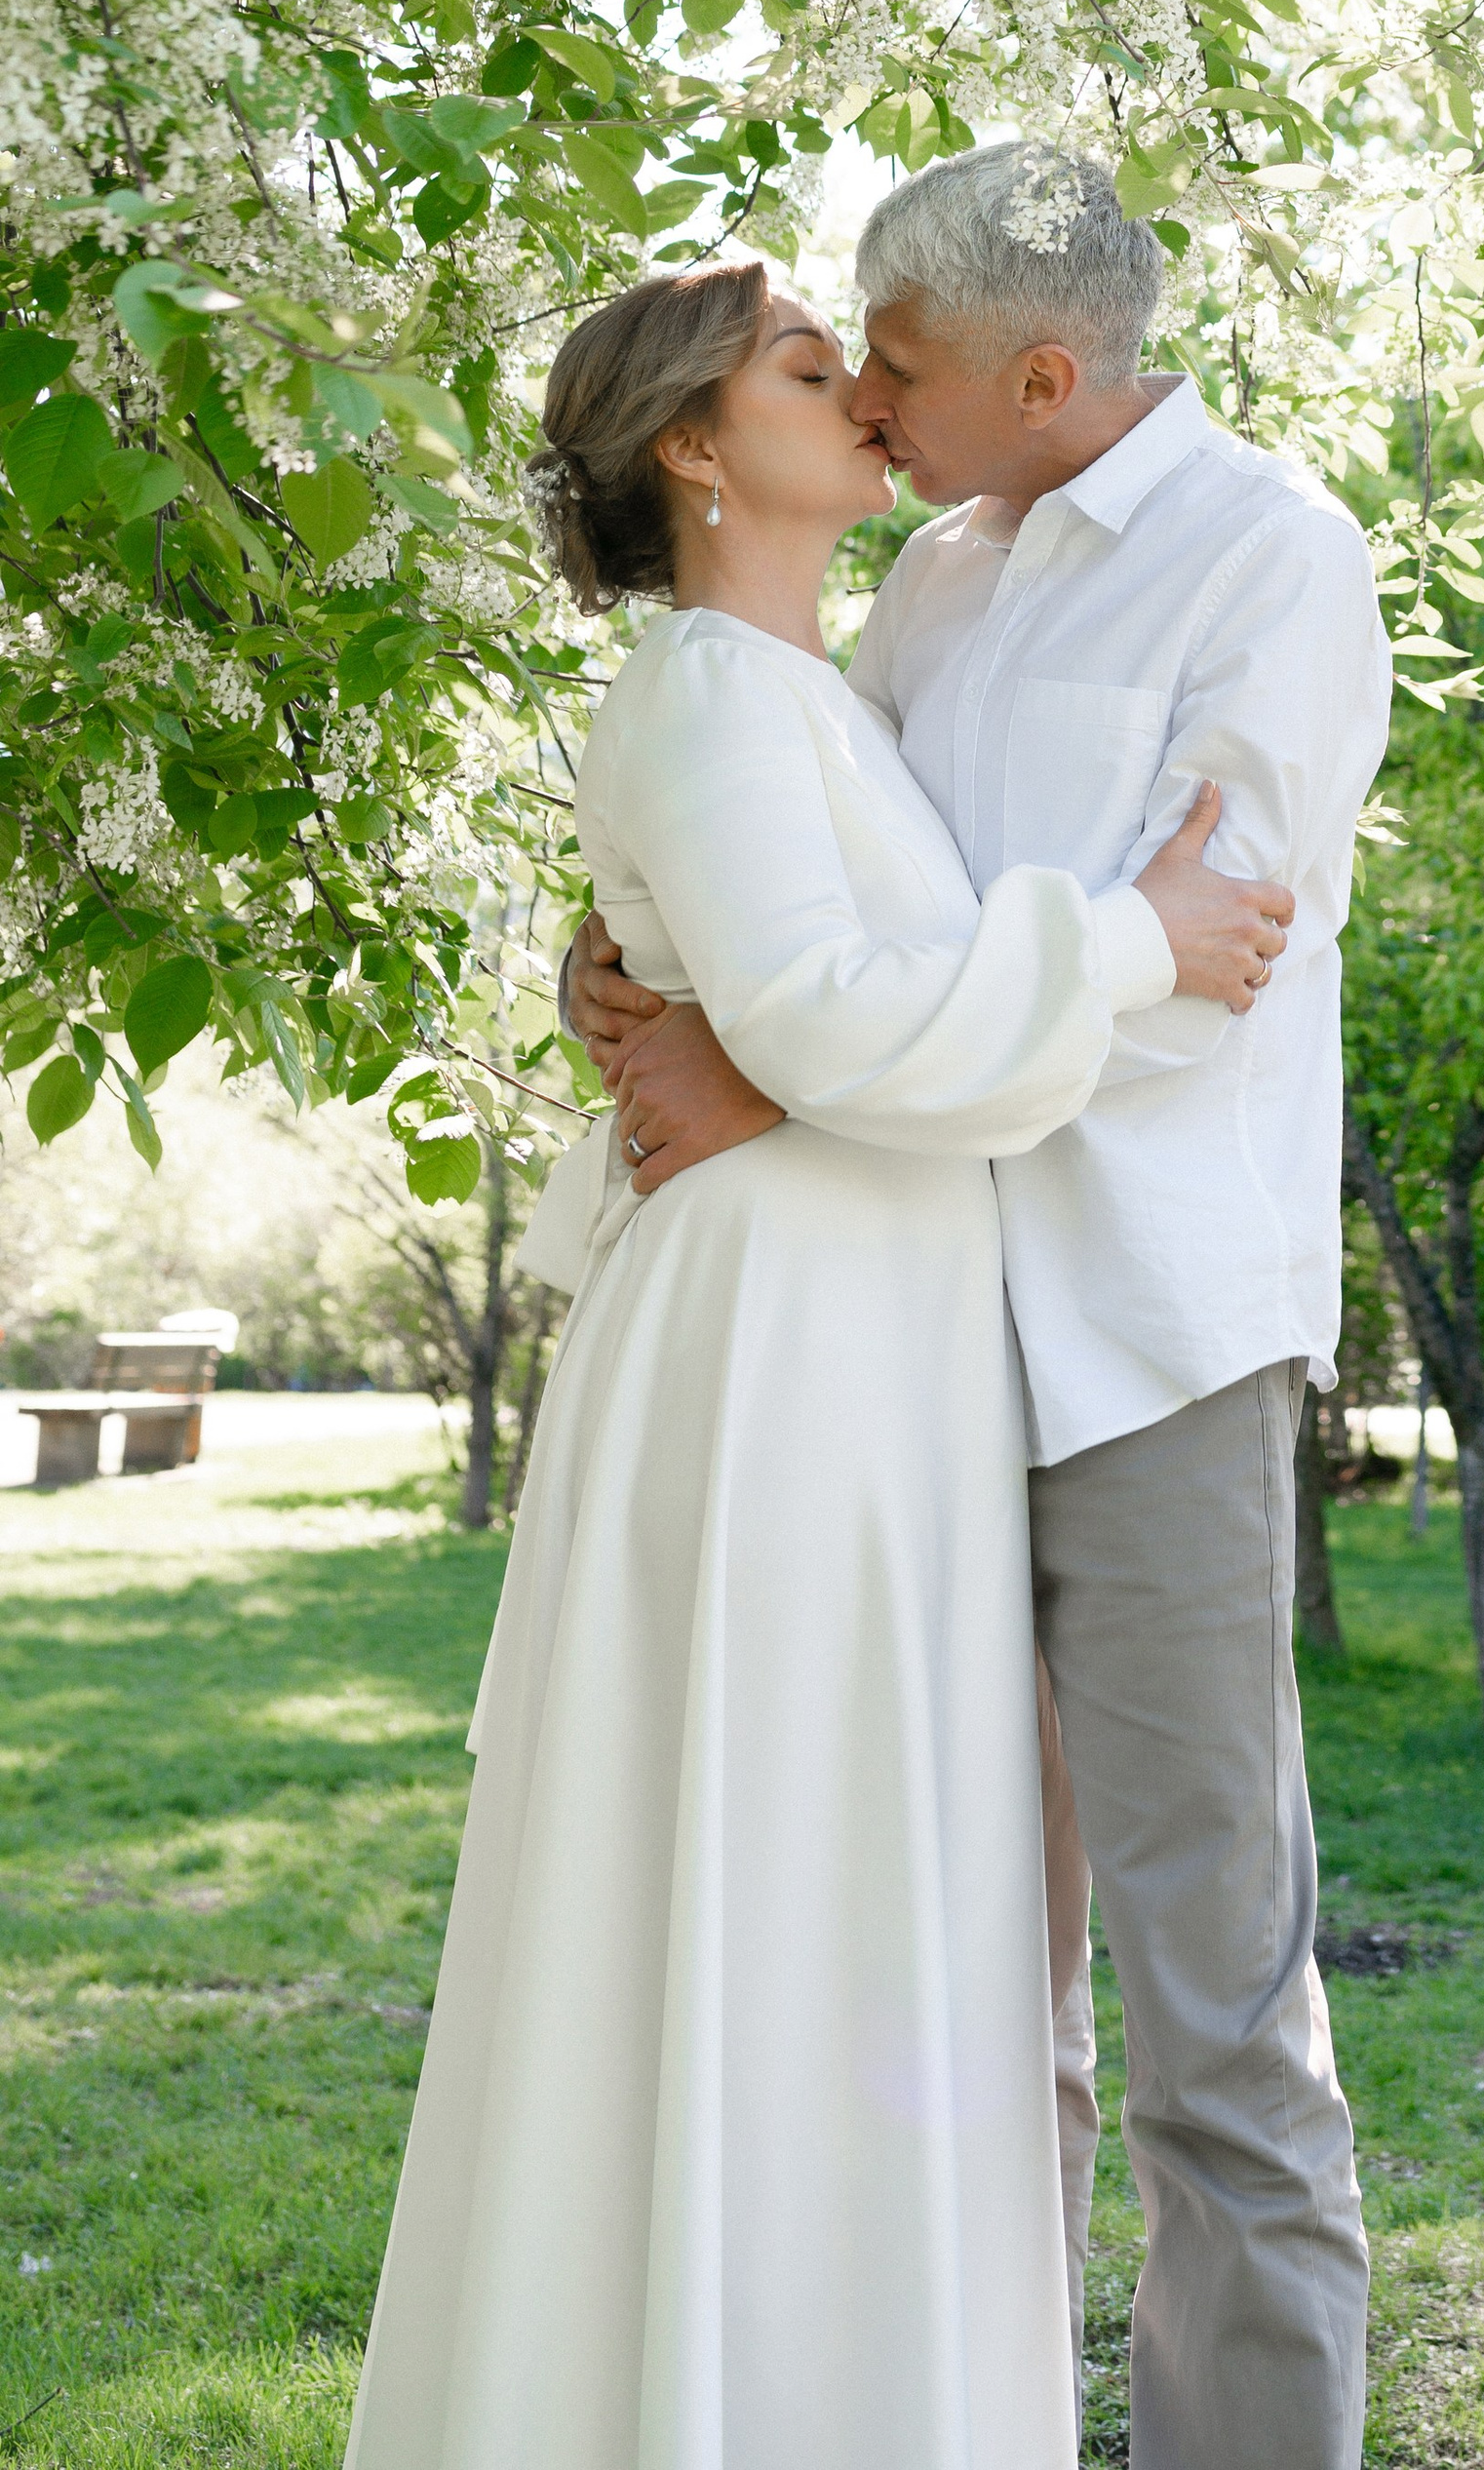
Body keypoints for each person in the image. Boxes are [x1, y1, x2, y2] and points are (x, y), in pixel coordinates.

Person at [346, 255, 1293, 2470]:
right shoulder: (695, 688)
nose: (865, 392)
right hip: (775, 1371)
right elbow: (848, 1020)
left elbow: (821, 1010)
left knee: (862, 1921)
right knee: (763, 1904)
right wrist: (1141, 935)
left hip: (878, 1362)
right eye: (806, 364)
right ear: (694, 445)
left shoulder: (823, 694)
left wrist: (714, 1030)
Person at [567, 143, 1392, 2470]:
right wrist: (660, 992)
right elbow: (820, 901)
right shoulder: (920, 580)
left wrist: (783, 1063)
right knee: (946, 1998)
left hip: (1141, 1344)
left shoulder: (1276, 563)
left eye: (897, 368)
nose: (874, 399)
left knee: (1213, 2016)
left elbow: (1206, 956)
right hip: (899, 1364)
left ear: (1042, 372)